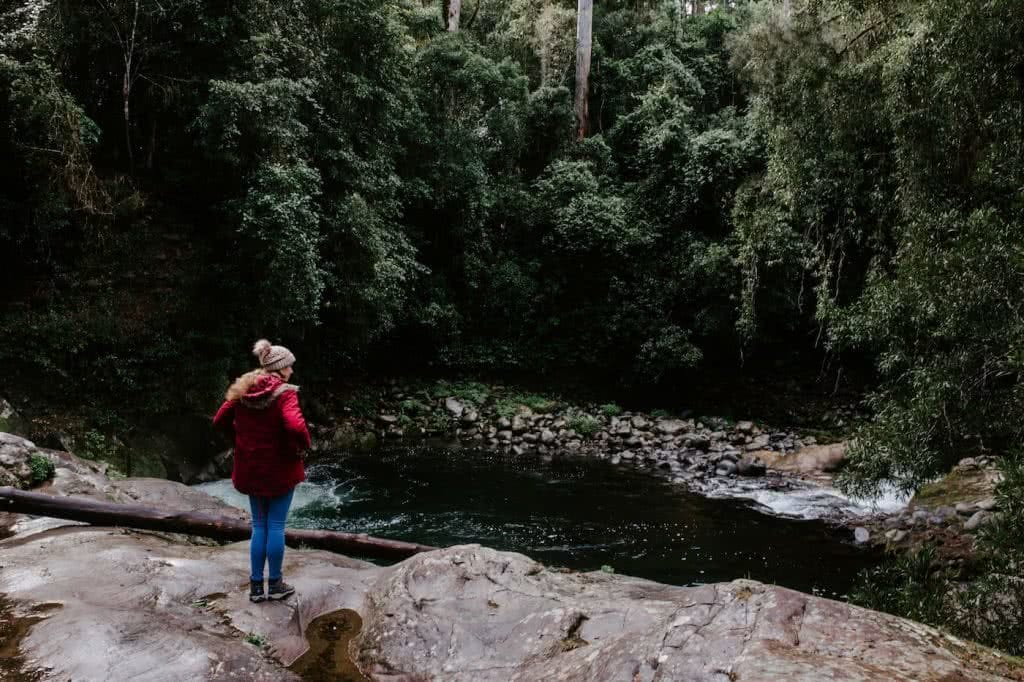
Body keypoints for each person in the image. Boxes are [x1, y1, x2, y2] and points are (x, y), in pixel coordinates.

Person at [213, 339, 311, 603]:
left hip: (251, 467)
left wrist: (240, 440)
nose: (291, 370)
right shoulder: (285, 393)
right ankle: (276, 584)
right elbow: (295, 426)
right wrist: (304, 445)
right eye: (289, 366)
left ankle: (256, 587)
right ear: (280, 368)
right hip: (280, 469)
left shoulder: (244, 388)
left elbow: (219, 419)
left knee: (259, 525)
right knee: (276, 525)